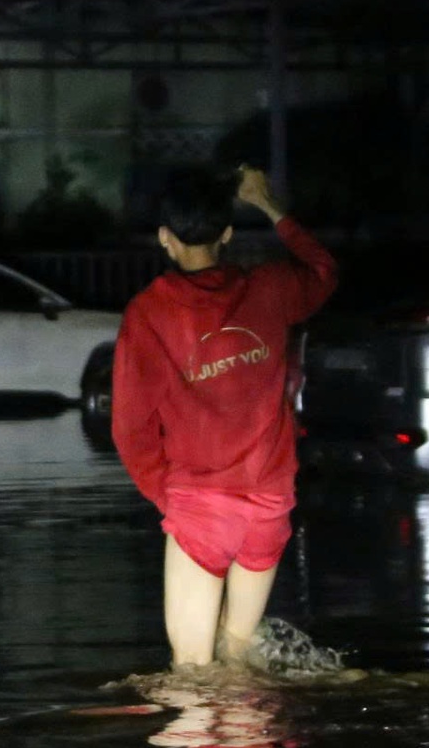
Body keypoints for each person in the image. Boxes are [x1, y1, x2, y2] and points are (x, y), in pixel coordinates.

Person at [111, 164, 339, 670]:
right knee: (238, 660)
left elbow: (130, 426)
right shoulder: (271, 288)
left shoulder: (149, 314)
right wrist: (270, 206)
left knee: (193, 671)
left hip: (201, 505)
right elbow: (324, 271)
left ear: (165, 239)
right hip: (269, 505)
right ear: (228, 234)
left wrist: (167, 496)